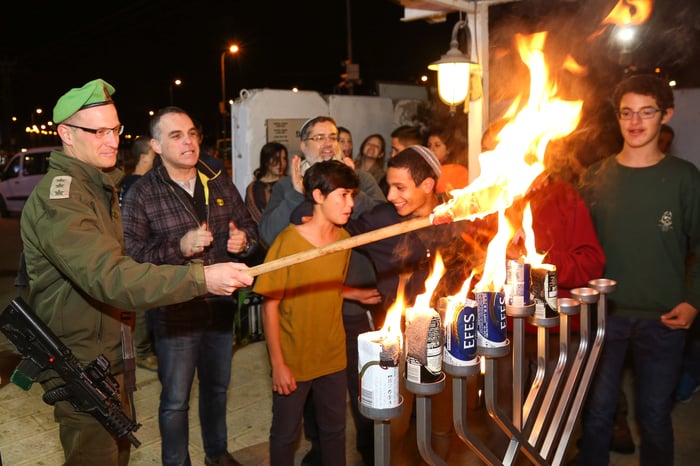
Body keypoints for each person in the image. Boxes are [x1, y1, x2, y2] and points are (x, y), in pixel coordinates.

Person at [19, 79, 252, 466]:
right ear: (66, 134)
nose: (112, 140)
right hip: (79, 362)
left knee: (117, 454)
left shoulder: (96, 186)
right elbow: (111, 276)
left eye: (115, 129)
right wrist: (201, 277)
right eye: (98, 131)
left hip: (107, 358)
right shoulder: (63, 199)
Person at [122, 106, 258, 466]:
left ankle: (216, 452)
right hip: (175, 310)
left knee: (216, 389)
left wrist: (242, 242)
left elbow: (252, 234)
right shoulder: (143, 193)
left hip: (219, 306)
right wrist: (178, 248)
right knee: (175, 399)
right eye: (176, 135)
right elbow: (132, 259)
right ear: (156, 145)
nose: (188, 141)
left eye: (192, 133)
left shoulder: (218, 180)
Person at [577, 74, 700, 466]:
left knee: (654, 416)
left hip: (665, 319)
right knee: (597, 414)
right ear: (617, 117)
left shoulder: (684, 178)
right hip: (603, 316)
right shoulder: (594, 176)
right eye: (626, 112)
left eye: (646, 112)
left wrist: (694, 302)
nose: (635, 121)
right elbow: (579, 247)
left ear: (666, 114)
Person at [259, 115, 384, 465]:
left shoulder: (343, 234)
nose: (349, 204)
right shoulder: (288, 228)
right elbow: (271, 300)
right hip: (296, 348)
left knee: (339, 421)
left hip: (336, 342)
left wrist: (354, 294)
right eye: (318, 137)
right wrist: (277, 362)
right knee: (288, 429)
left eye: (334, 136)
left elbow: (328, 277)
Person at [116, 136, 159, 372]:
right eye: (154, 154)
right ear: (145, 157)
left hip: (131, 249)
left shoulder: (127, 181)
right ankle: (142, 353)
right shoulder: (138, 185)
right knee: (141, 304)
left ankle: (140, 350)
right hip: (137, 251)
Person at [244, 141, 288, 225]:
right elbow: (254, 217)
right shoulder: (254, 188)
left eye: (284, 158)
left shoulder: (291, 183)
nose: (280, 163)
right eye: (276, 159)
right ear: (266, 161)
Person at [379, 125, 424, 196]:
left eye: (396, 150)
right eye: (392, 150)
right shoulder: (388, 177)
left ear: (411, 151)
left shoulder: (423, 180)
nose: (392, 155)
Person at [427, 126, 469, 193]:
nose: (432, 149)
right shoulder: (428, 170)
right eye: (429, 145)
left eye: (437, 145)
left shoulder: (459, 171)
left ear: (448, 149)